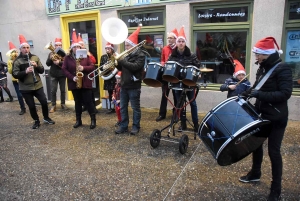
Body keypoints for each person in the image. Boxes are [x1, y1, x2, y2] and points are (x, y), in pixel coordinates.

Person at [239, 37, 293, 201]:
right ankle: (255, 173)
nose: (256, 57)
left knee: (274, 152)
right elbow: (256, 87)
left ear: (267, 54)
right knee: (256, 145)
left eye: (258, 54)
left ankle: (276, 190)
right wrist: (243, 94)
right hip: (261, 114)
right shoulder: (262, 67)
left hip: (277, 117)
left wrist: (259, 94)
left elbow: (285, 94)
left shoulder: (283, 68)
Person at [12, 34, 55, 129]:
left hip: (37, 85)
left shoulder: (35, 57)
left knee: (44, 102)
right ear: (20, 49)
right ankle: (36, 120)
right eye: (24, 48)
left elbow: (42, 70)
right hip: (25, 88)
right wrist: (25, 72)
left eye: (27, 47)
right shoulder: (17, 61)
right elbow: (15, 74)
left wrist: (37, 66)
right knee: (31, 106)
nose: (26, 49)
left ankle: (46, 117)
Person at [168, 26, 201, 132]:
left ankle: (196, 124)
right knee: (179, 104)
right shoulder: (172, 55)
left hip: (189, 83)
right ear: (176, 43)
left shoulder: (191, 55)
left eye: (182, 41)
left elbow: (198, 66)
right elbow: (169, 66)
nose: (181, 43)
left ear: (185, 43)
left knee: (193, 103)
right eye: (179, 41)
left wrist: (198, 74)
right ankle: (183, 124)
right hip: (177, 83)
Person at [62, 29, 97, 129]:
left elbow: (92, 66)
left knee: (89, 102)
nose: (76, 48)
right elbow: (64, 69)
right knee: (77, 102)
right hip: (75, 83)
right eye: (75, 47)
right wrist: (72, 77)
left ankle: (93, 120)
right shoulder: (67, 58)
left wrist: (83, 68)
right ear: (72, 48)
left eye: (78, 46)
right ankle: (78, 120)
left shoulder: (85, 56)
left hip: (85, 83)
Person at [114, 25, 146, 135]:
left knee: (135, 108)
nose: (126, 47)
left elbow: (135, 67)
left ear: (133, 46)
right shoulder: (126, 55)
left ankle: (136, 126)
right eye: (125, 45)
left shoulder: (140, 55)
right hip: (124, 85)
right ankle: (123, 126)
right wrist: (117, 63)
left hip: (134, 86)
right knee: (123, 107)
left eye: (127, 45)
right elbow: (122, 68)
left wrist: (122, 60)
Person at [156, 28, 178, 121]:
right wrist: (162, 64)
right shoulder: (165, 48)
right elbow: (162, 59)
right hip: (166, 74)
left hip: (175, 75)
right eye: (168, 38)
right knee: (164, 95)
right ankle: (162, 113)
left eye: (171, 38)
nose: (169, 39)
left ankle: (176, 114)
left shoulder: (178, 48)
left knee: (176, 95)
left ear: (175, 39)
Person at [46, 38, 68, 113]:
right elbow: (47, 64)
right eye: (56, 45)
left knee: (62, 90)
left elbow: (67, 64)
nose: (58, 46)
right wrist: (50, 59)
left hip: (62, 74)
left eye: (59, 45)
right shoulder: (51, 53)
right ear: (54, 46)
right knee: (53, 90)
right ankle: (53, 105)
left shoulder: (64, 54)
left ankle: (63, 104)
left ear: (61, 46)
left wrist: (60, 62)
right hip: (53, 75)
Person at [6, 41, 26, 114]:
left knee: (27, 94)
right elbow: (10, 71)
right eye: (13, 52)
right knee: (19, 95)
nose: (15, 53)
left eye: (16, 52)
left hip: (22, 79)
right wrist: (13, 63)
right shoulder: (9, 61)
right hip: (15, 80)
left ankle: (31, 106)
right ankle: (22, 108)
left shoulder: (20, 59)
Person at [100, 42, 117, 114]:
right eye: (106, 48)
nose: (107, 50)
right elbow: (100, 67)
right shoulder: (103, 57)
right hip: (108, 77)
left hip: (115, 77)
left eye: (109, 48)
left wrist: (113, 68)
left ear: (112, 49)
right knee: (110, 92)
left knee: (116, 92)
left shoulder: (115, 56)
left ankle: (117, 106)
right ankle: (111, 107)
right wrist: (105, 67)